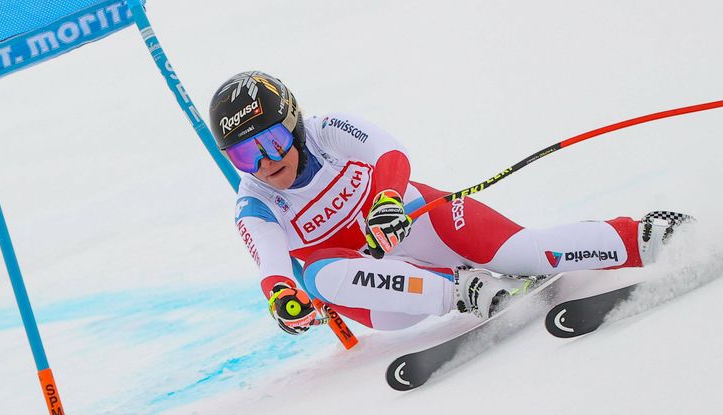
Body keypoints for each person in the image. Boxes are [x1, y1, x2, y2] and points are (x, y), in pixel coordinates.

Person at [208, 71, 691, 335]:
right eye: (245, 155)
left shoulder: (327, 131)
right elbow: (273, 268)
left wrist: (387, 201)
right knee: (316, 275)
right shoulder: (256, 204)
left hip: (417, 222)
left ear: (292, 123)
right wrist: (284, 299)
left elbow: (389, 153)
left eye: (270, 141)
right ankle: (463, 291)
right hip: (386, 292)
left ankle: (647, 234)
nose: (265, 162)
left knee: (526, 253)